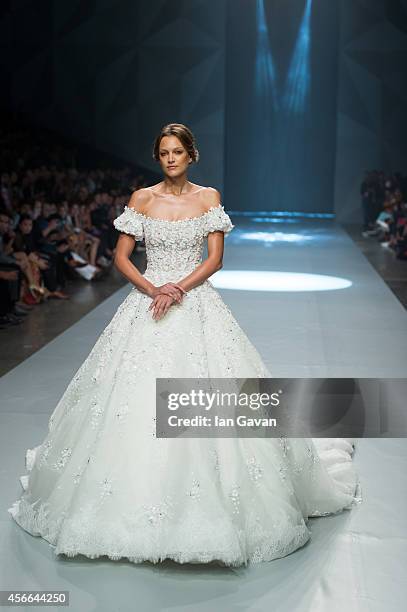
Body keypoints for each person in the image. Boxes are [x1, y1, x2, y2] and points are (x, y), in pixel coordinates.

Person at [8, 123, 361, 567]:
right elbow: (120, 256)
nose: (170, 159)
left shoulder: (208, 199)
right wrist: (154, 288)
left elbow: (215, 259)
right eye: (163, 152)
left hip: (194, 302)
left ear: (191, 154)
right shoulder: (141, 198)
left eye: (177, 152)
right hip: (146, 301)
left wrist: (175, 289)